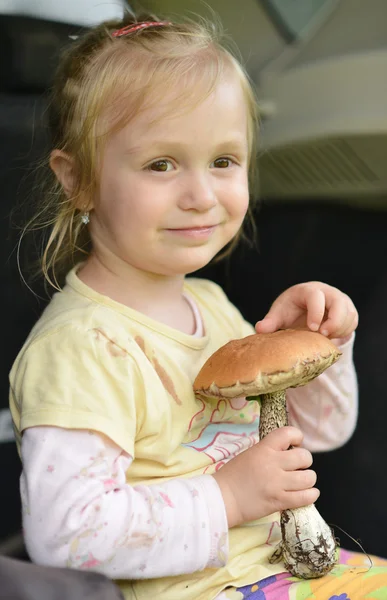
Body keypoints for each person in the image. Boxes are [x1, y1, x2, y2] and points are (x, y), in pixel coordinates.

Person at [8, 12, 387, 600]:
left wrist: (321, 348)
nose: (201, 196)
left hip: (278, 569)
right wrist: (229, 496)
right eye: (162, 164)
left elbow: (317, 436)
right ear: (78, 180)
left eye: (223, 162)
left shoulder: (209, 304)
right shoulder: (81, 348)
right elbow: (66, 537)